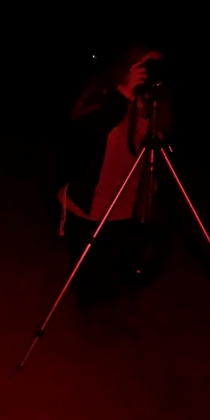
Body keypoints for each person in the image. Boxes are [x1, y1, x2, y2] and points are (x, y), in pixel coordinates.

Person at [57, 45, 173, 317]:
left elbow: (159, 149)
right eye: (144, 65)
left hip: (127, 209)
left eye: (155, 67)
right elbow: (87, 134)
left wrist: (152, 106)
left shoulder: (155, 104)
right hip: (89, 208)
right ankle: (90, 330)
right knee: (91, 281)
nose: (149, 73)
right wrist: (123, 94)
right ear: (127, 66)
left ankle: (110, 318)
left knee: (132, 265)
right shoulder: (102, 95)